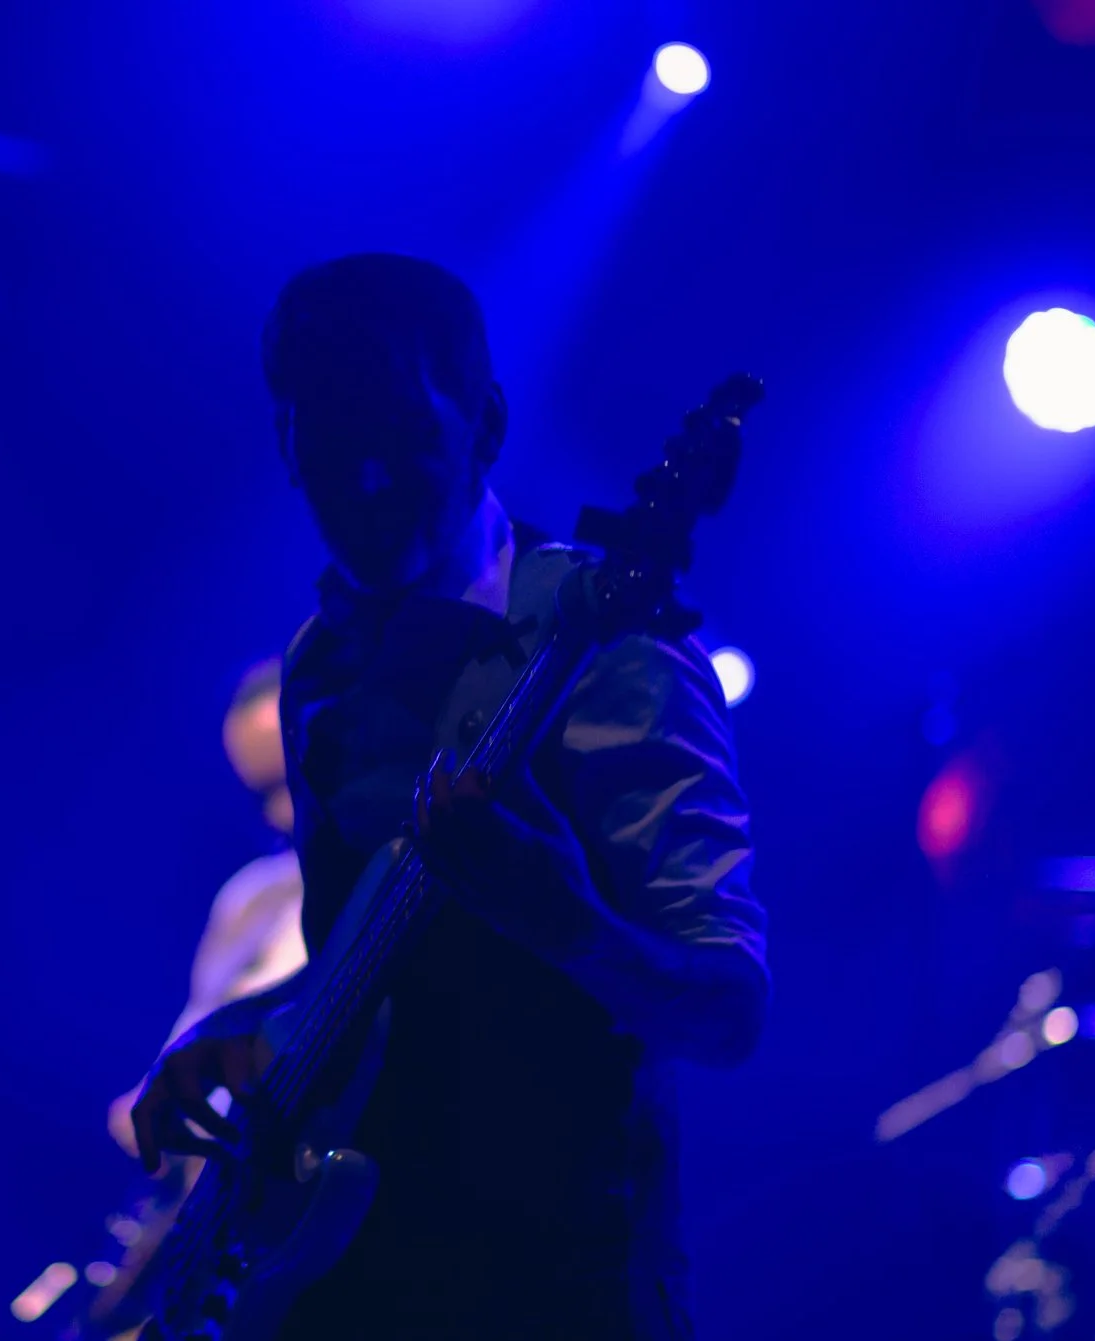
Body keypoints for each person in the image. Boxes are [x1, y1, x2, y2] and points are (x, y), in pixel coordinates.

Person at [129, 253, 767, 1337]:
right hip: (347, 1288)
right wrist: (245, 1032)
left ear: (487, 425)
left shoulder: (610, 651)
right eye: (333, 445)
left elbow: (728, 1010)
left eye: (404, 439)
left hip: (560, 1295)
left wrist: (566, 924)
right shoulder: (316, 667)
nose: (369, 485)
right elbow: (361, 970)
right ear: (286, 447)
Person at [105, 658, 308, 1157]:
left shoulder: (385, 865)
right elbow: (190, 1035)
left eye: (290, 779)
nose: (283, 812)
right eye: (263, 795)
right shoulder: (249, 897)